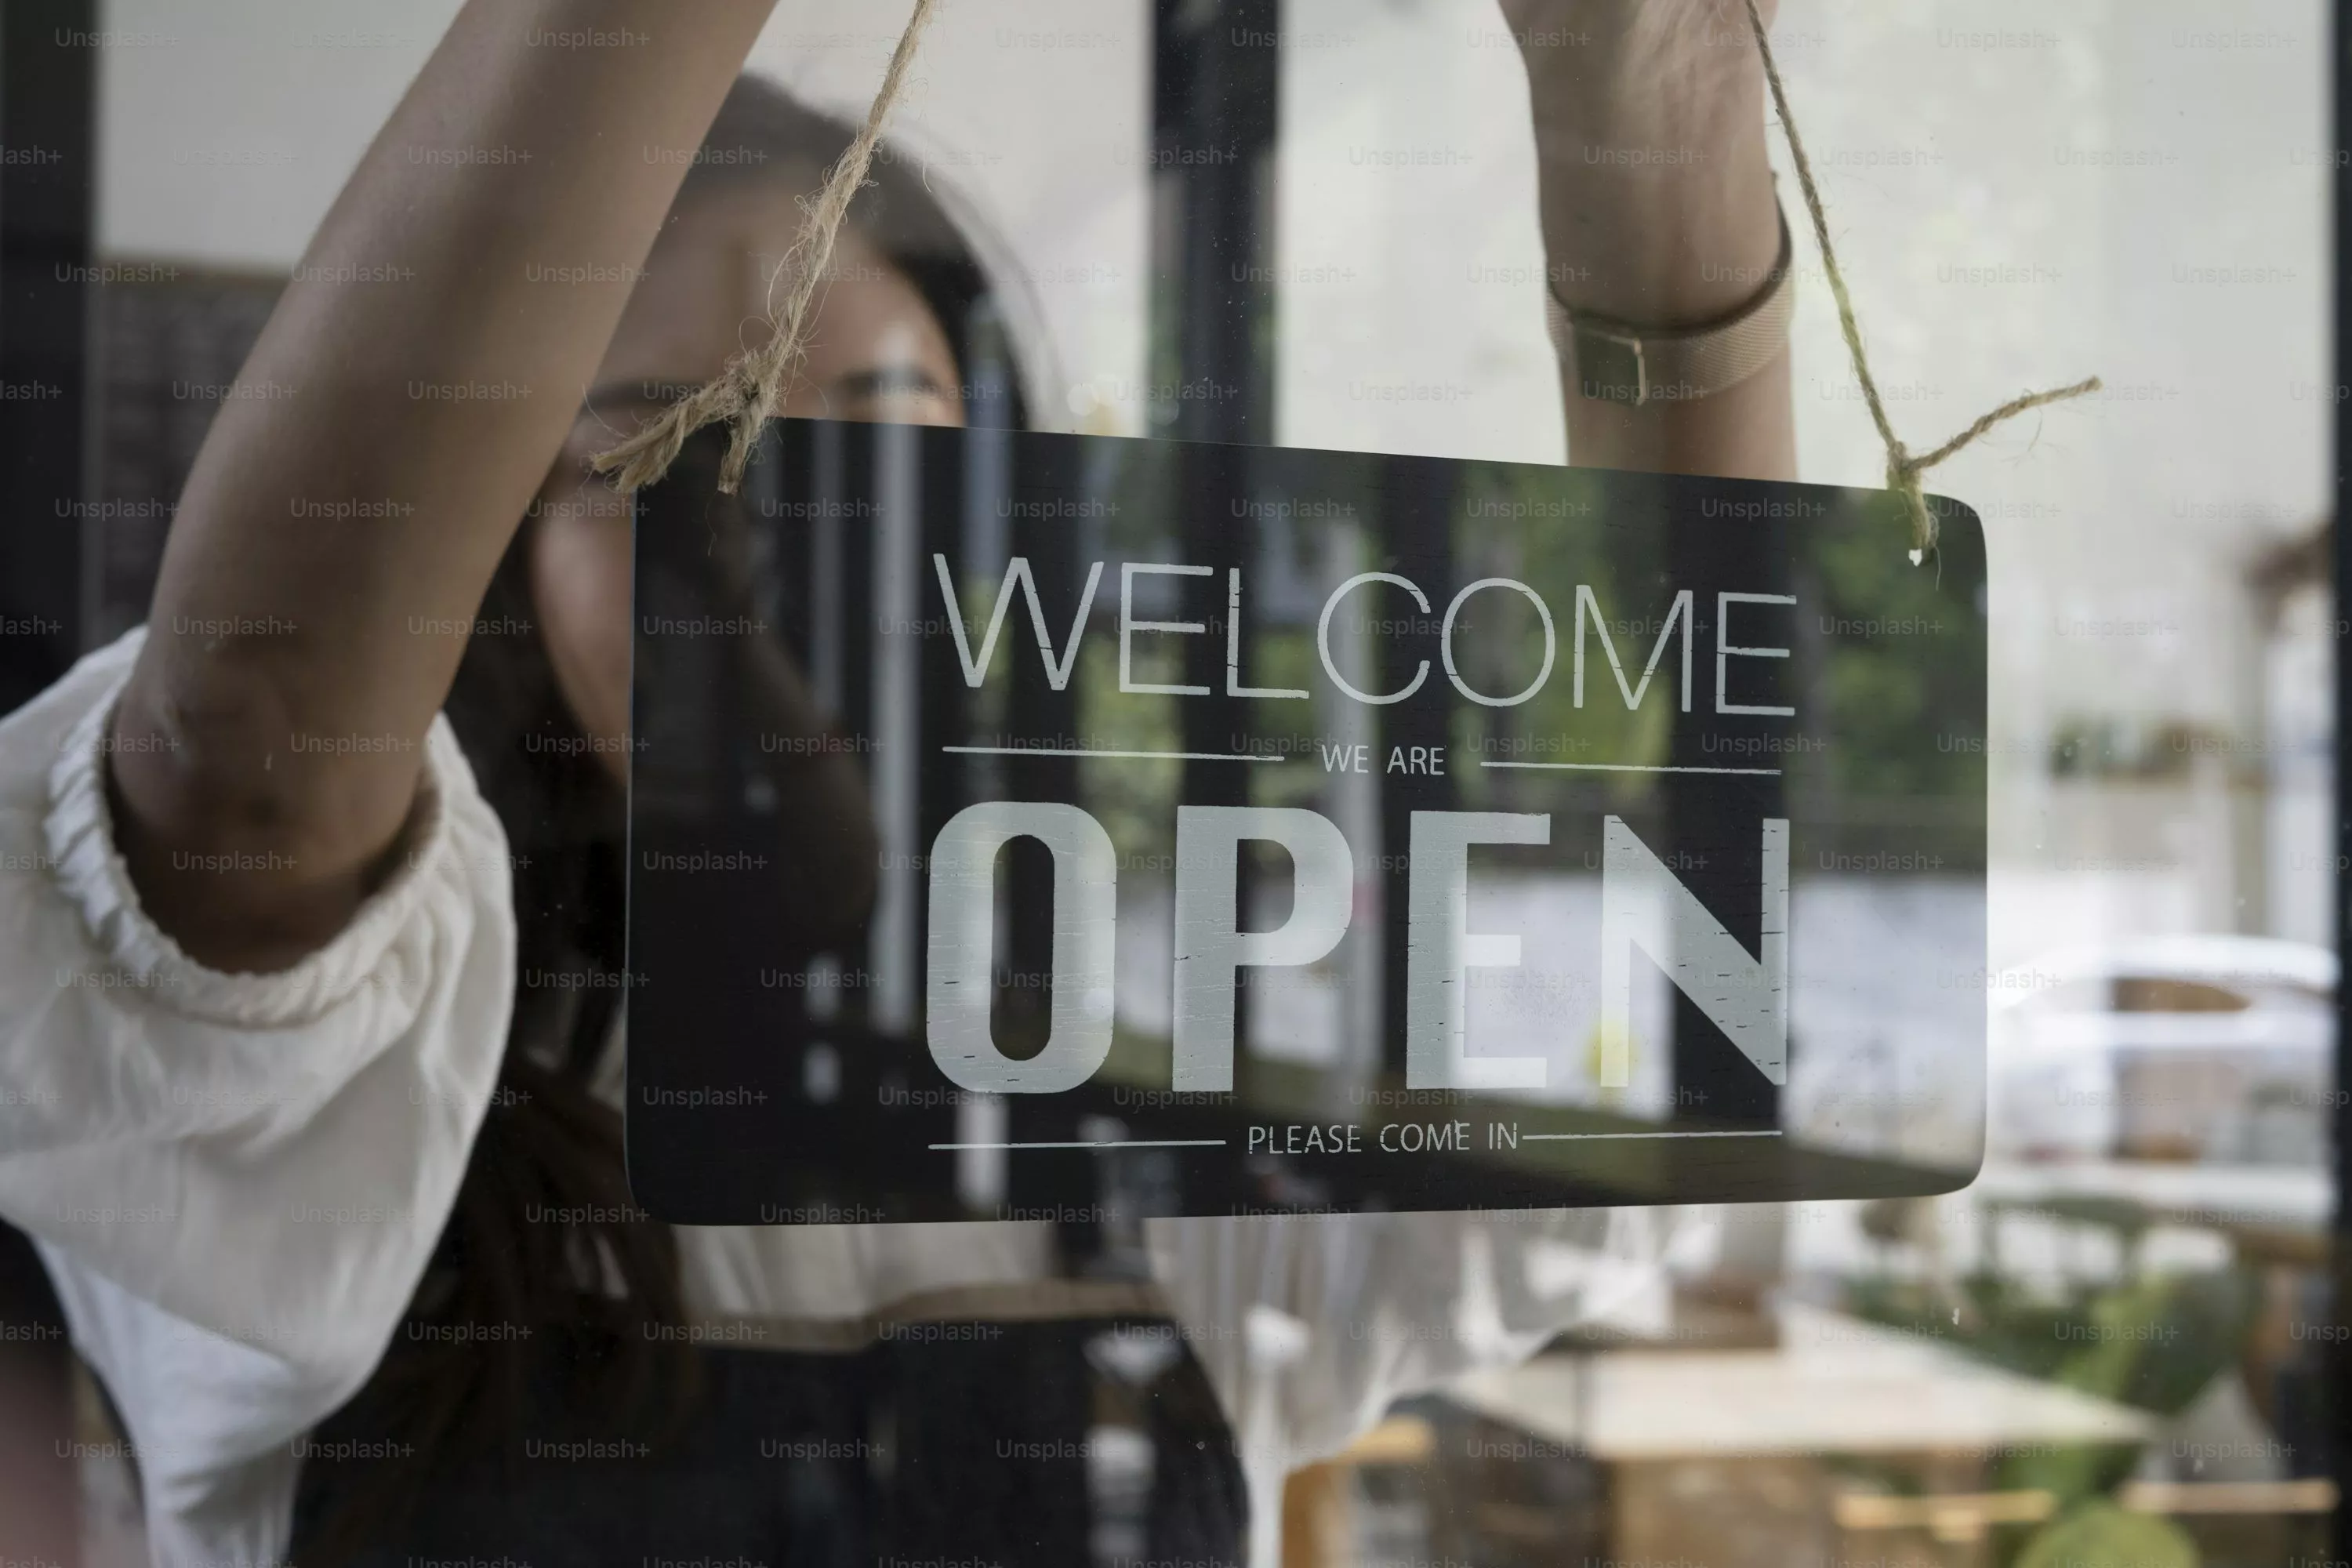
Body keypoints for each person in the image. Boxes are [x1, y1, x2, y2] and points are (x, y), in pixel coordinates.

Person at [0, 1, 1794, 1563]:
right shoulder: (343, 1085)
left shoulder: (1147, 1083)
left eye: (875, 439)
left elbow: (1681, 1038)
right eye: (657, 464)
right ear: (490, 576)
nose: (786, 540)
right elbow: (248, 777)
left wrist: (1660, 89)